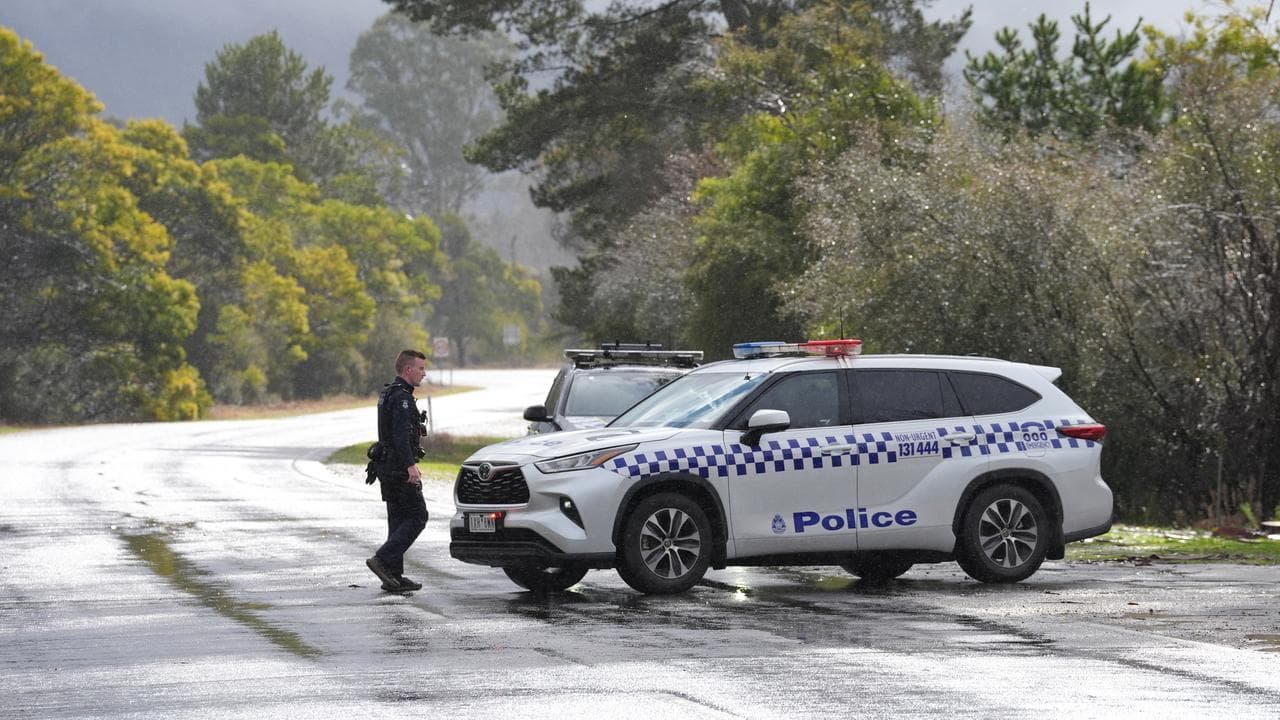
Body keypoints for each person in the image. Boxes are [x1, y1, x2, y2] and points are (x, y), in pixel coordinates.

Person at [366, 349, 429, 592]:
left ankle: (393, 575)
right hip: (399, 467)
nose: (424, 373)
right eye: (421, 368)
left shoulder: (389, 393)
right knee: (418, 516)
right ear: (408, 370)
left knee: (398, 519)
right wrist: (410, 466)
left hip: (386, 467)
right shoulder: (402, 398)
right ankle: (382, 559)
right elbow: (401, 437)